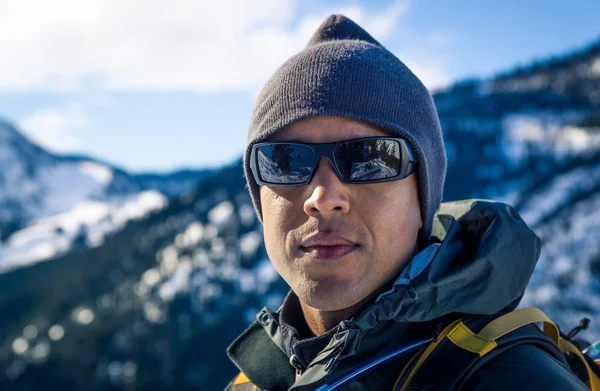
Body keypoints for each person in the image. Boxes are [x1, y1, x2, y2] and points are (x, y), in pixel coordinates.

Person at [224, 14, 589, 390]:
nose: (323, 198)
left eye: (369, 159)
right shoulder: (252, 381)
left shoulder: (512, 381)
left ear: (422, 201)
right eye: (285, 161)